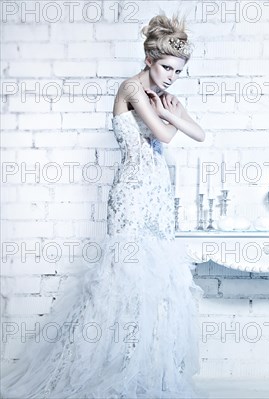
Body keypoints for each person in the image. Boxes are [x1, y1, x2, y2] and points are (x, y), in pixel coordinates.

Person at [0, 14, 207, 398]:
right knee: (123, 276)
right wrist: (168, 112)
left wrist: (171, 112)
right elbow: (165, 133)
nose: (171, 78)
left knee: (156, 279)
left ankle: (143, 367)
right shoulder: (130, 88)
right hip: (131, 191)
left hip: (158, 192)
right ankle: (101, 366)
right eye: (166, 68)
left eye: (178, 72)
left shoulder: (163, 96)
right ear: (149, 60)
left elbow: (200, 133)